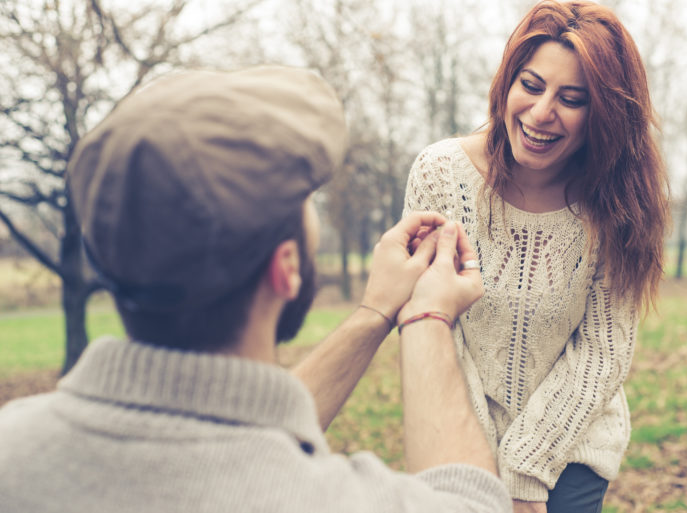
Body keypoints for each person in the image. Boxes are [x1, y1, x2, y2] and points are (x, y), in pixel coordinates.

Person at [0, 66, 513, 513]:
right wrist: (427, 318)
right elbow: (467, 501)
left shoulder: (14, 455)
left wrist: (375, 311)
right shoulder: (338, 501)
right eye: (305, 202)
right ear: (285, 267)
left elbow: (229, 431)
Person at [403, 1, 669, 512]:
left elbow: (602, 352)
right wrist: (479, 467)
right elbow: (436, 329)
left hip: (570, 446)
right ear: (507, 83)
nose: (542, 112)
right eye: (530, 85)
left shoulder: (618, 202)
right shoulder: (440, 175)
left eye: (572, 99)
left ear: (605, 114)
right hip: (459, 437)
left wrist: (525, 475)